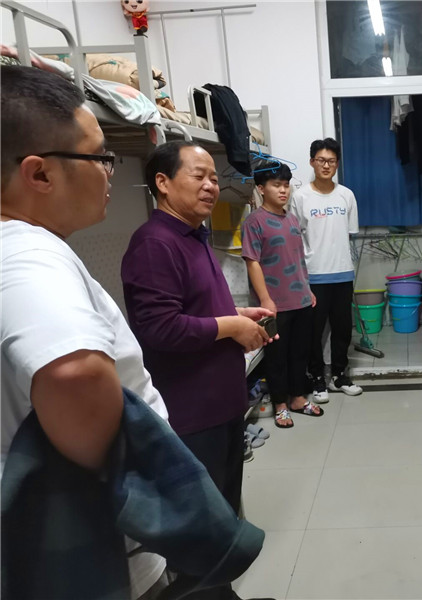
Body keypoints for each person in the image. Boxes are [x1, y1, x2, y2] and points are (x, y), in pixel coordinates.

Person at [0, 65, 169, 599]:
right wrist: (122, 487)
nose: (109, 171)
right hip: (98, 555)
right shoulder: (29, 256)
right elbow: (73, 373)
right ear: (39, 174)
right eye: (98, 157)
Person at [121, 141, 273, 600]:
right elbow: (159, 329)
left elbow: (194, 309)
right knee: (200, 529)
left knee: (221, 517)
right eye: (198, 175)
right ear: (163, 183)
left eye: (213, 177)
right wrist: (230, 326)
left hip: (221, 407)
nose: (211, 186)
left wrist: (237, 314)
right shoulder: (155, 244)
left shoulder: (193, 235)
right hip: (191, 415)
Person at [242, 162, 323, 428]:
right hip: (274, 305)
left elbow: (298, 259)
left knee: (300, 353)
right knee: (277, 357)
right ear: (261, 188)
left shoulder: (291, 219)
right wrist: (265, 300)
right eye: (276, 185)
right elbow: (252, 261)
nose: (283, 190)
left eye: (286, 185)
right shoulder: (254, 222)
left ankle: (298, 399)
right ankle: (280, 405)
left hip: (301, 299)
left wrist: (307, 289)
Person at [290, 138, 362, 402]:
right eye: (321, 160)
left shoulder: (346, 195)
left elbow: (349, 233)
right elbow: (295, 238)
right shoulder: (300, 197)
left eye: (331, 161)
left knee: (343, 329)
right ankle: (317, 378)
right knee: (313, 331)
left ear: (337, 164)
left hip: (343, 273)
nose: (326, 165)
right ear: (312, 162)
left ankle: (340, 375)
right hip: (314, 276)